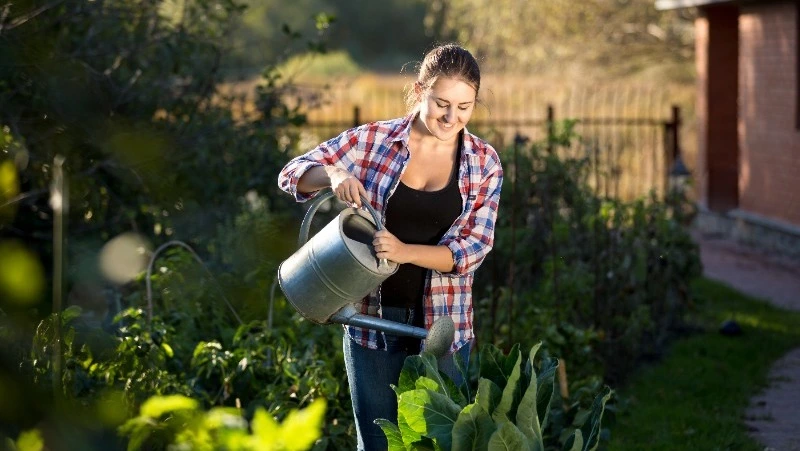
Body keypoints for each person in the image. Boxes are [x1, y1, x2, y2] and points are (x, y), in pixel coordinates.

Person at [277, 43, 503, 451]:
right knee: (379, 443)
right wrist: (333, 174)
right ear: (419, 91)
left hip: (443, 327)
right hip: (371, 323)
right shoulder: (374, 141)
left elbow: (473, 249)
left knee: (442, 442)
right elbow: (291, 174)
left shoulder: (484, 163)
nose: (452, 118)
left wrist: (403, 251)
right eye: (441, 104)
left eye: (465, 107)